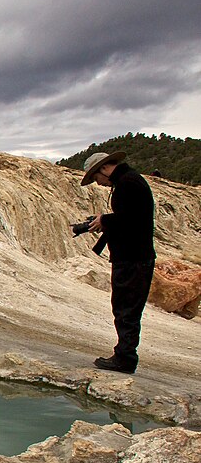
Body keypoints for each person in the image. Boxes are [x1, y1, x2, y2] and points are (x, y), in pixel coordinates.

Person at [80, 151, 157, 374]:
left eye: (96, 177)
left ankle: (125, 359)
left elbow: (131, 219)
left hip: (132, 259)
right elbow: (132, 218)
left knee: (126, 309)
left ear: (104, 168)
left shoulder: (128, 184)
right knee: (126, 308)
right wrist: (106, 222)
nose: (99, 183)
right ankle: (124, 355)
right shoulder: (129, 180)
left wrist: (105, 220)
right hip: (135, 257)